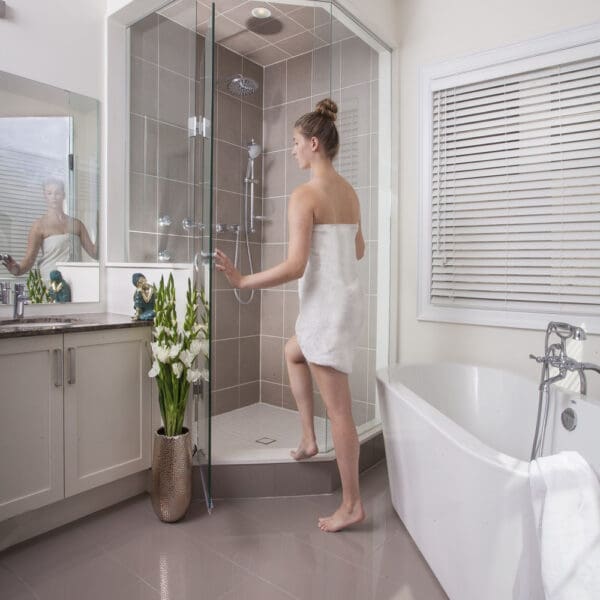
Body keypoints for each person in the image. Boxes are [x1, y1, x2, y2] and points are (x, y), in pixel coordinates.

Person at [215, 98, 366, 533]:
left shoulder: (305, 195)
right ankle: (307, 437)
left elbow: (297, 265)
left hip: (326, 307)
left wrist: (243, 281)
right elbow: (358, 249)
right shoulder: (349, 192)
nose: (294, 150)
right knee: (292, 352)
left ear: (314, 144)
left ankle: (352, 504)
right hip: (345, 301)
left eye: (297, 142)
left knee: (340, 412)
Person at [1, 178, 97, 280]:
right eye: (49, 193)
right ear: (45, 196)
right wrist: (16, 269)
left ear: (63, 195)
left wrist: (101, 228)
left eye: (57, 193)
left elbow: (95, 254)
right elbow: (28, 261)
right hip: (50, 282)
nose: (54, 197)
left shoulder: (76, 224)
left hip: (76, 281)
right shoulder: (39, 226)